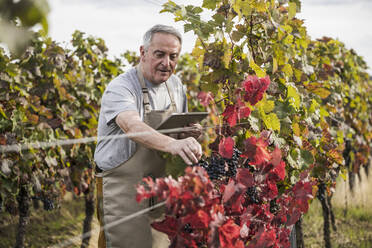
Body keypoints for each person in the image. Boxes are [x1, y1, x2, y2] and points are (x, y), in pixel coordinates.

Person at [94, 24, 202, 248]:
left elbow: (172, 131)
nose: (167, 63)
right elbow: (132, 126)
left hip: (159, 187)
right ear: (143, 53)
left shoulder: (175, 86)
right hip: (124, 188)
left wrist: (186, 133)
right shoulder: (121, 88)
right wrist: (174, 144)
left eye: (174, 56)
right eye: (160, 54)